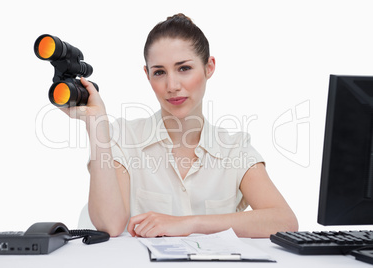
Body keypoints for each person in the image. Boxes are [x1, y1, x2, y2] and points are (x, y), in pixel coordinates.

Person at [62, 13, 298, 238]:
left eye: (184, 68)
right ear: (147, 75)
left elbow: (284, 221)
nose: (172, 85)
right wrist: (96, 124)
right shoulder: (124, 138)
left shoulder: (234, 147)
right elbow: (110, 225)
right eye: (159, 72)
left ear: (209, 67)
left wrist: (188, 223)